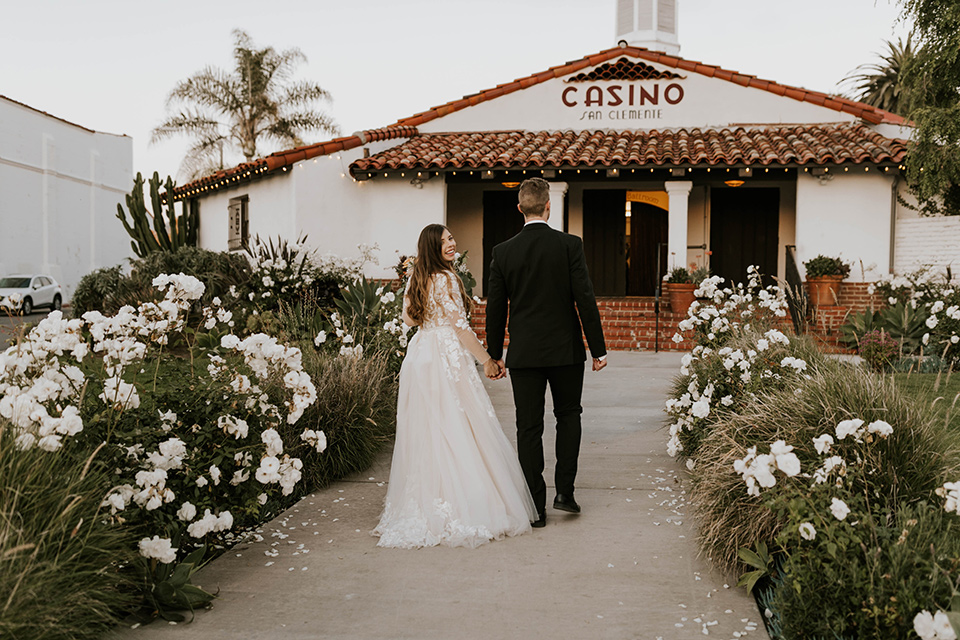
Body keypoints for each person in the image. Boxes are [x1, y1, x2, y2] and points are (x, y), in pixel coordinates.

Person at [373, 224, 537, 548]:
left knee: (429, 429)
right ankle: (462, 505)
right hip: (446, 357)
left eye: (451, 238)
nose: (452, 243)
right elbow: (460, 329)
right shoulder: (446, 279)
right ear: (434, 247)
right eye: (445, 240)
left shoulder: (418, 278)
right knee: (459, 423)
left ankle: (427, 504)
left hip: (421, 355)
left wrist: (413, 280)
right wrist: (488, 360)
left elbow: (409, 320)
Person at [485, 177, 607, 528]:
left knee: (529, 427)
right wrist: (597, 349)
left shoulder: (502, 252)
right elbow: (584, 297)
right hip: (566, 351)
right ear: (549, 206)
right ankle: (564, 493)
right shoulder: (569, 245)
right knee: (569, 416)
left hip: (524, 354)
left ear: (520, 208)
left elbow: (496, 309)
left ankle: (535, 508)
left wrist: (495, 354)